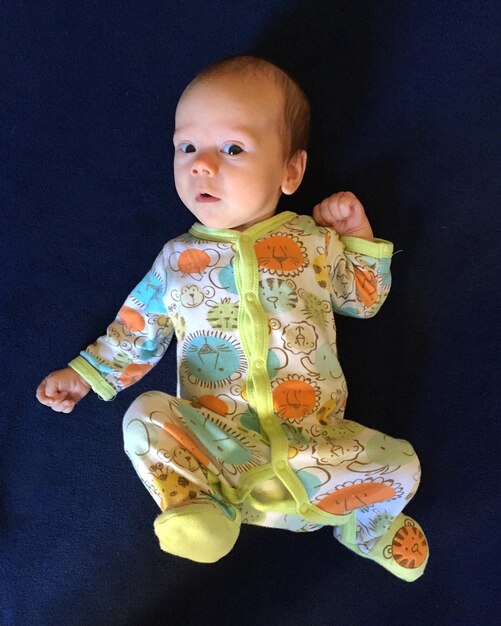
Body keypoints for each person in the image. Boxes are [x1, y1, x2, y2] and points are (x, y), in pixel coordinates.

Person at [36, 55, 428, 581]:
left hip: (316, 448)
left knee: (403, 462)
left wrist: (356, 237)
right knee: (144, 417)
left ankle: (368, 529)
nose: (201, 164)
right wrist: (83, 376)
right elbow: (135, 332)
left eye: (233, 148)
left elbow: (364, 300)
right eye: (187, 147)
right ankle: (201, 510)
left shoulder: (311, 241)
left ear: (291, 171)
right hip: (222, 452)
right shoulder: (176, 261)